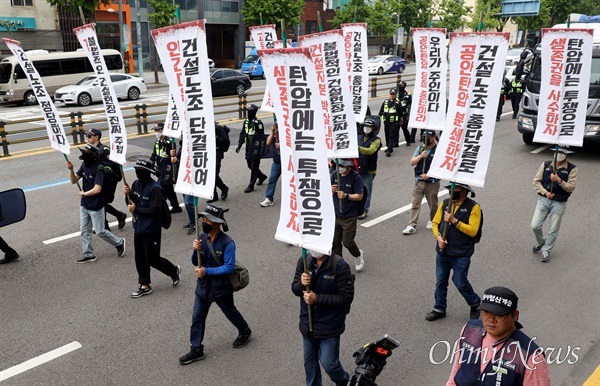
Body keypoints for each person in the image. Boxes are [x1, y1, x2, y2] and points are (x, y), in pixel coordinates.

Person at [179, 205, 251, 365]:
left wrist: (206, 271)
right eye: (203, 218)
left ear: (217, 223)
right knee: (197, 318)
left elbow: (228, 267)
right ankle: (196, 349)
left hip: (221, 289)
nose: (204, 222)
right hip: (203, 288)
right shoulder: (202, 238)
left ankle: (245, 331)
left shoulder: (228, 243)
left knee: (230, 312)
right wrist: (194, 250)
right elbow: (194, 261)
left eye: (207, 219)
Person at [446, 286, 551, 385]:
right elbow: (455, 373)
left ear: (515, 315)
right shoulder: (470, 330)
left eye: (499, 314)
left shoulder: (532, 357)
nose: (491, 320)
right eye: (486, 312)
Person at [291, 249, 355, 386]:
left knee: (329, 364)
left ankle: (344, 381)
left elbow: (346, 297)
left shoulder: (339, 266)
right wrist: (301, 283)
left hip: (329, 325)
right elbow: (295, 289)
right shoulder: (304, 261)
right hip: (308, 324)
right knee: (310, 363)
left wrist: (317, 298)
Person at [123, 158, 180, 298]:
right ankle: (144, 285)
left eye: (141, 170)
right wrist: (127, 194)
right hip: (138, 228)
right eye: (136, 169)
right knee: (140, 257)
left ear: (148, 172)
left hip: (152, 230)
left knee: (152, 258)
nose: (138, 172)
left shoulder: (155, 188)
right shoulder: (136, 184)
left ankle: (173, 270)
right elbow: (130, 203)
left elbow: (154, 211)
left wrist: (136, 209)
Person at [426, 183, 481, 321]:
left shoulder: (474, 207)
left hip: (461, 252)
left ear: (464, 191)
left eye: (455, 188)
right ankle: (439, 308)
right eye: (451, 188)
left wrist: (455, 221)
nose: (452, 191)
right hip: (443, 252)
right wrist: (438, 237)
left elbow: (473, 230)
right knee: (440, 281)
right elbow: (435, 223)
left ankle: (475, 303)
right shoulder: (445, 203)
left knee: (460, 281)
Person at [66, 144, 126, 263]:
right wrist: (71, 170)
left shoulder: (99, 169)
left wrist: (84, 194)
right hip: (84, 205)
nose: (84, 155)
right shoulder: (84, 165)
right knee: (84, 231)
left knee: (100, 231)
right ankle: (89, 254)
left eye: (87, 153)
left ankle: (119, 243)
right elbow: (74, 181)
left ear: (93, 156)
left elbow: (97, 189)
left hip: (96, 205)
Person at [531, 146, 578, 263]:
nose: (560, 154)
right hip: (543, 200)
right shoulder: (546, 165)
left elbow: (571, 187)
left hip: (559, 202)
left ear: (567, 154)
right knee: (535, 225)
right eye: (558, 152)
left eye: (563, 152)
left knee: (553, 229)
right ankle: (542, 241)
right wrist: (545, 193)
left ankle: (546, 250)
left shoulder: (572, 169)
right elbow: (536, 181)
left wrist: (559, 180)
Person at [85, 128, 127, 231]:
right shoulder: (90, 149)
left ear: (96, 137)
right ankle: (114, 218)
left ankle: (109, 223)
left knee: (101, 201)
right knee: (99, 201)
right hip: (97, 178)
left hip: (107, 180)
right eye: (87, 136)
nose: (87, 138)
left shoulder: (105, 150)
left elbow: (114, 164)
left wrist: (101, 162)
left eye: (89, 136)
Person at [403, 130, 440, 235]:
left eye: (428, 137)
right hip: (419, 182)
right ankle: (412, 225)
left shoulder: (438, 151)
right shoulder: (420, 149)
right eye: (423, 136)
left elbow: (441, 168)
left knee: (433, 204)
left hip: (432, 183)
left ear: (433, 138)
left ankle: (433, 220)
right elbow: (412, 162)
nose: (425, 139)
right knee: (415, 203)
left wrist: (429, 175)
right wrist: (420, 156)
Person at [331, 158, 365, 272]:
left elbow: (359, 196)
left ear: (348, 166)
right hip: (336, 214)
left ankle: (357, 255)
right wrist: (330, 189)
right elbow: (325, 188)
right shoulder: (335, 174)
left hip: (349, 216)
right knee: (335, 242)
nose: (339, 167)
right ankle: (339, 264)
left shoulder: (356, 178)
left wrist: (346, 195)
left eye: (341, 165)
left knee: (347, 242)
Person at [150, 122, 182, 213]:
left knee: (161, 188)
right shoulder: (157, 141)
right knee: (168, 188)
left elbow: (173, 157)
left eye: (158, 130)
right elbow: (154, 154)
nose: (156, 132)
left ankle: (158, 208)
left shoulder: (169, 142)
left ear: (163, 130)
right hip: (160, 168)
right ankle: (175, 206)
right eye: (155, 130)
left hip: (167, 169)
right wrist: (151, 163)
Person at [236, 104, 267, 193]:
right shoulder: (246, 122)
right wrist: (239, 145)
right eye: (248, 111)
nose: (248, 113)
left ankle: (251, 185)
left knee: (254, 166)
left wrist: (262, 149)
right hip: (248, 146)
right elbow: (242, 133)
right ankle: (261, 176)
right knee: (249, 164)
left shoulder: (258, 123)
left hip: (256, 147)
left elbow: (262, 137)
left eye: (250, 111)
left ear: (253, 112)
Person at [357, 117, 381, 220]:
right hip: (357, 168)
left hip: (368, 169)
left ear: (373, 128)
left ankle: (364, 210)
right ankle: (356, 209)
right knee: (356, 190)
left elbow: (370, 151)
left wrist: (357, 148)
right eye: (365, 126)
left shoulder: (376, 140)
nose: (366, 128)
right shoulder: (359, 137)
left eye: (369, 127)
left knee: (366, 190)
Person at [260, 123, 281, 207]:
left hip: (288, 162)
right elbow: (268, 142)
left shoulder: (290, 132)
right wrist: (272, 132)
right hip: (277, 161)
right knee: (272, 179)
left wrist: (282, 145)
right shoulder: (276, 132)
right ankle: (269, 198)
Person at [378, 88, 401, 157]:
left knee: (391, 135)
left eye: (393, 94)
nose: (392, 95)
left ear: (396, 95)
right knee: (387, 134)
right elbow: (381, 111)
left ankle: (389, 150)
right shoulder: (385, 102)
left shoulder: (397, 103)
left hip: (394, 122)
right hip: (386, 122)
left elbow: (400, 113)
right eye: (391, 94)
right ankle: (389, 147)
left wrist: (401, 120)